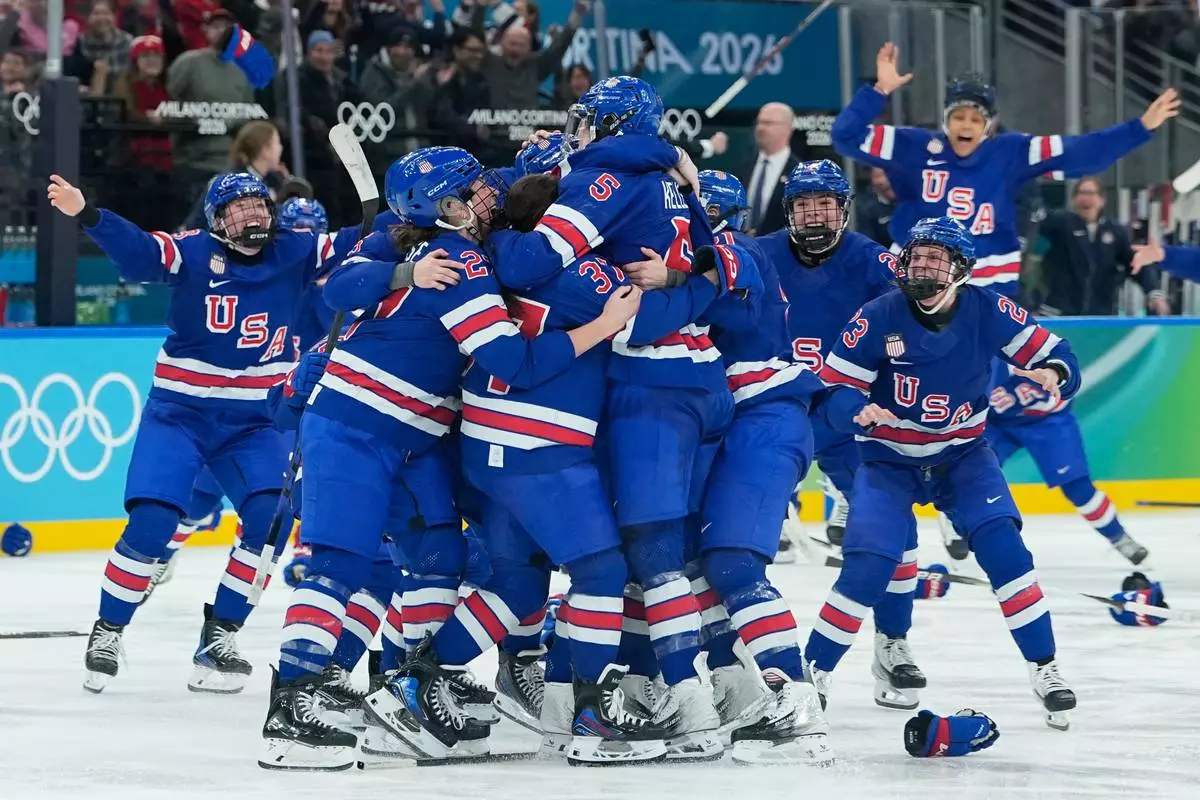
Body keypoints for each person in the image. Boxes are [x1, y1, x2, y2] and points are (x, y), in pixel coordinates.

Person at [260, 146, 638, 769]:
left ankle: (414, 694)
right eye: (471, 192)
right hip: (356, 427)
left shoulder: (434, 243)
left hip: (419, 437)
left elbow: (346, 286)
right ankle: (293, 707)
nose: (486, 197)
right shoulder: (458, 260)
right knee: (338, 565)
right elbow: (513, 363)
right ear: (442, 207)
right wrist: (602, 324)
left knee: (441, 557)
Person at [491, 76, 761, 760]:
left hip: (649, 385)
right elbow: (722, 263)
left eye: (587, 122)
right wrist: (680, 285)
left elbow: (530, 259)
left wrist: (480, 238)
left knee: (643, 556)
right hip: (697, 377)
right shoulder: (669, 171)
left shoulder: (609, 173)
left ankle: (688, 702)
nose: (576, 132)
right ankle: (617, 690)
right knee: (645, 555)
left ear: (613, 124)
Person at [46, 171, 340, 695]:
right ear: (214, 220)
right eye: (237, 210)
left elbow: (362, 243)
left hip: (254, 422)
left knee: (271, 521)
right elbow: (138, 252)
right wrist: (88, 214)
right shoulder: (191, 253)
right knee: (154, 521)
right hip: (180, 414)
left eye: (257, 207)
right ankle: (109, 628)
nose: (250, 217)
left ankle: (219, 636)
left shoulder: (297, 250)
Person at [807, 216, 1082, 731]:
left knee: (1006, 552)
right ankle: (811, 677)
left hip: (962, 457)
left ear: (961, 270)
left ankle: (1045, 667)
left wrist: (1053, 373)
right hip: (888, 461)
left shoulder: (989, 308)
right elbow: (831, 391)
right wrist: (854, 410)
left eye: (937, 258)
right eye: (917, 256)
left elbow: (1058, 352)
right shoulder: (876, 315)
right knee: (868, 567)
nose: (923, 267)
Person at [622, 168, 833, 765]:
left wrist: (677, 274)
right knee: (683, 562)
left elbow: (735, 313)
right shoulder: (727, 251)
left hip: (765, 417)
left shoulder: (734, 253)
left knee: (732, 563)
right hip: (731, 419)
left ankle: (797, 705)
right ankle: (730, 684)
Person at [760, 159, 925, 711]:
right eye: (803, 203)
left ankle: (892, 643)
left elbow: (919, 328)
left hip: (849, 419)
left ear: (843, 209)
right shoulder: (758, 255)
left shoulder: (880, 263)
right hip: (773, 414)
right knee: (734, 542)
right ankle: (732, 657)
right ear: (788, 210)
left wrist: (890, 397)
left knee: (899, 534)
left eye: (824, 203)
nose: (813, 213)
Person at [832, 41, 1178, 298]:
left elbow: (1082, 153)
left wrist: (1140, 127)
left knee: (983, 382)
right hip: (916, 275)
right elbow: (845, 136)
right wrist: (879, 91)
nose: (965, 126)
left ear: (989, 125)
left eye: (974, 118)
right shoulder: (912, 145)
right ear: (945, 119)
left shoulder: (1013, 151)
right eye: (958, 117)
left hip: (987, 280)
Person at [1032, 177, 1169, 316]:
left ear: (1102, 200)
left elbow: (1136, 263)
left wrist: (1154, 294)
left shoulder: (1115, 231)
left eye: (1091, 193)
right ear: (1074, 199)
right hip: (1057, 313)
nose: (1085, 198)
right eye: (1081, 193)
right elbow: (1037, 217)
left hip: (1101, 314)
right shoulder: (1060, 223)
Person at [742, 101, 799, 236]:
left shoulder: (798, 172)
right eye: (759, 122)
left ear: (787, 128)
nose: (760, 128)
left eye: (768, 123)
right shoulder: (743, 167)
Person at [853, 167, 895, 249]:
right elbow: (867, 244)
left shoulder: (911, 203)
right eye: (878, 176)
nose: (886, 180)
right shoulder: (865, 208)